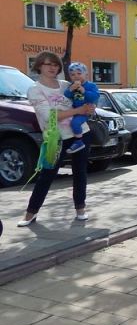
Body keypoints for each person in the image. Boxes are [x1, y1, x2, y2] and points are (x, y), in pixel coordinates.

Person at [17, 52, 95, 227]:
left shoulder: (66, 85)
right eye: (48, 64)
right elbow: (49, 116)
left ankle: (81, 209)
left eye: (56, 64)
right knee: (47, 175)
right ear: (39, 66)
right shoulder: (35, 90)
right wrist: (78, 111)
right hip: (56, 138)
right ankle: (30, 214)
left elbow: (84, 101)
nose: (53, 68)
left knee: (80, 173)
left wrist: (89, 108)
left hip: (80, 133)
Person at [63, 62, 100, 154]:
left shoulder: (91, 86)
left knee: (75, 123)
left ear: (86, 75)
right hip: (74, 110)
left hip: (85, 111)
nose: (76, 76)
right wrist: (71, 89)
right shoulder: (72, 86)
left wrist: (84, 92)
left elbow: (95, 97)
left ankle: (79, 141)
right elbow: (66, 95)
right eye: (72, 74)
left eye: (79, 73)